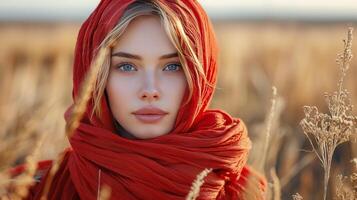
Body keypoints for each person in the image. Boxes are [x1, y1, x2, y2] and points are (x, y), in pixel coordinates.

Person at [9, 0, 267, 199]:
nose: (150, 90)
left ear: (200, 77)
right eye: (127, 66)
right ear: (94, 76)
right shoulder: (29, 191)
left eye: (172, 67)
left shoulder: (244, 192)